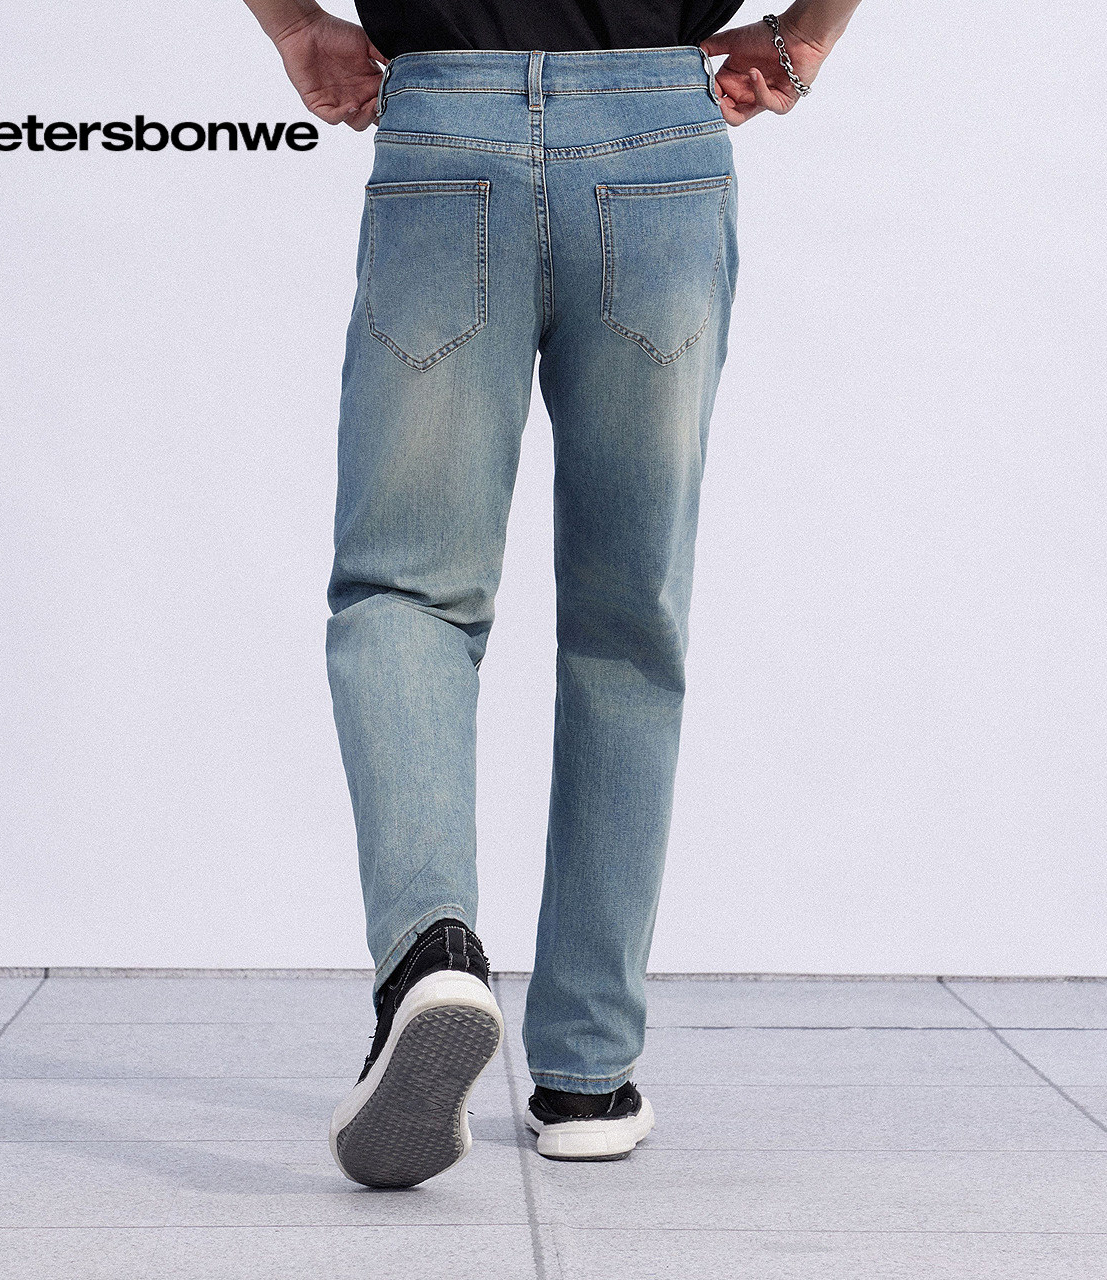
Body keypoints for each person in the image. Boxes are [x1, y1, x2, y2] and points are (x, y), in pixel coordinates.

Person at [242, 0, 862, 1188]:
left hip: (444, 133)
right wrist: (805, 35)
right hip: (658, 144)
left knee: (403, 590)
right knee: (629, 619)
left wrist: (292, 27)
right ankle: (586, 1070)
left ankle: (430, 954)